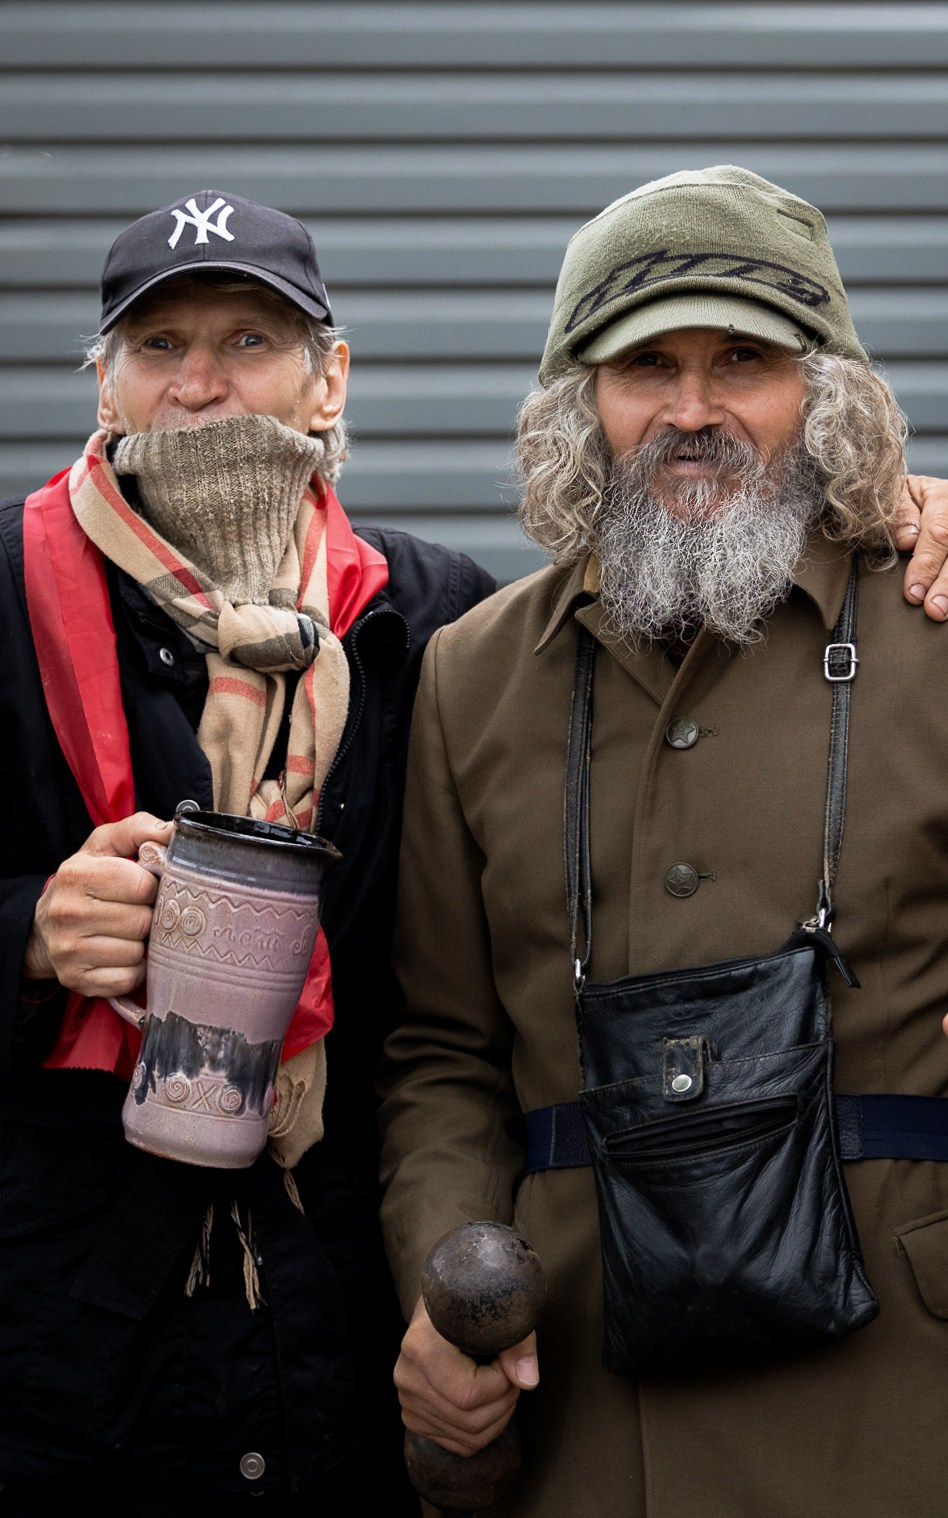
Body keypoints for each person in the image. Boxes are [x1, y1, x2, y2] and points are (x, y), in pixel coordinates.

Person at [378, 165, 948, 1517]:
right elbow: (440, 1052)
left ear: (825, 395)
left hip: (925, 1422)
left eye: (745, 360)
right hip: (594, 1428)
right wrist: (446, 1286)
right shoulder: (470, 674)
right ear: (576, 407)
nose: (692, 410)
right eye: (642, 364)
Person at [0, 188, 497, 1513]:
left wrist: (894, 510)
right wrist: (31, 936)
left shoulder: (444, 619)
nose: (201, 383)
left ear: (330, 377)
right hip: (68, 1352)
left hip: (350, 1318)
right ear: (103, 381)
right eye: (157, 346)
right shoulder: (2, 588)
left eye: (247, 340)